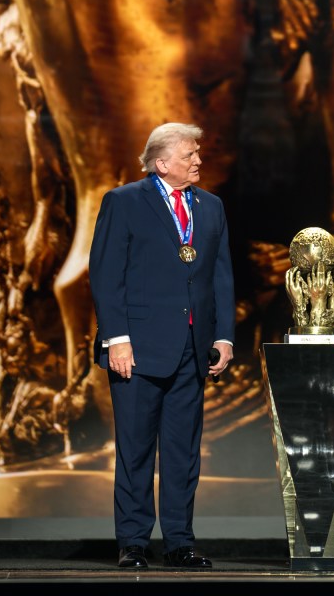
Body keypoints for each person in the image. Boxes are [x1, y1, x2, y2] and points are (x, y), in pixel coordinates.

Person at [88, 122, 235, 570]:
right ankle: (133, 542)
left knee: (183, 452)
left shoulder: (210, 206)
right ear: (162, 162)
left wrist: (223, 336)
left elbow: (221, 275)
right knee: (135, 450)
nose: (198, 160)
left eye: (197, 153)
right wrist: (117, 339)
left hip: (192, 348)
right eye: (190, 154)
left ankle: (179, 543)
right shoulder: (124, 201)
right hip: (136, 348)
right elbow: (106, 276)